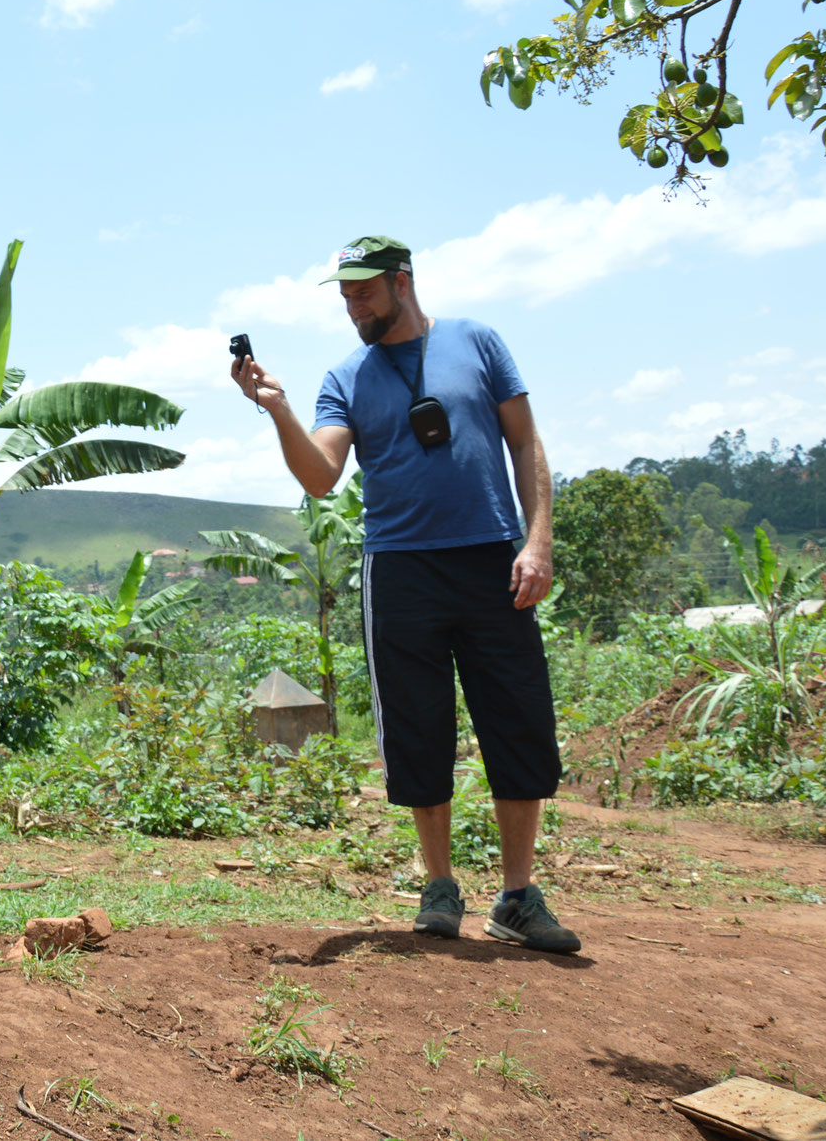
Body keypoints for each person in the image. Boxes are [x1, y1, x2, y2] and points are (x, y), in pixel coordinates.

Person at [231, 235, 579, 956]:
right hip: (400, 569)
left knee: (515, 719)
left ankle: (517, 895)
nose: (353, 306)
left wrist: (537, 539)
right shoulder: (347, 376)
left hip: (492, 558)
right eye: (345, 296)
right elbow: (320, 476)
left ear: (402, 281)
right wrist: (278, 409)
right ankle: (440, 886)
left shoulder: (478, 343)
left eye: (363, 292)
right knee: (418, 728)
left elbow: (526, 443)